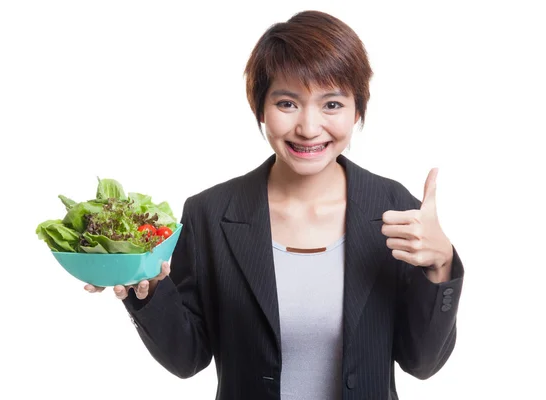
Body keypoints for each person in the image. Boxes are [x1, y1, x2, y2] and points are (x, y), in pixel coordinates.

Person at [85, 10, 464, 400]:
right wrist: (142, 286)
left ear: (358, 111)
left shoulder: (396, 209)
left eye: (332, 104)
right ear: (260, 109)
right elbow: (187, 358)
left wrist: (441, 265)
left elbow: (422, 363)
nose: (309, 127)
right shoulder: (210, 214)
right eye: (287, 103)